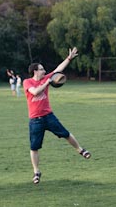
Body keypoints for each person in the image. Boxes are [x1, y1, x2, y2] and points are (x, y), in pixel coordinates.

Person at [23, 47, 91, 184]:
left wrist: (69, 58)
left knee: (65, 133)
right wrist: (47, 82)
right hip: (35, 120)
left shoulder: (47, 78)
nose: (44, 71)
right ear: (35, 71)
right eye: (41, 69)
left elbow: (58, 69)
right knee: (34, 147)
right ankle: (36, 172)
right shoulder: (27, 82)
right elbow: (35, 92)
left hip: (49, 116)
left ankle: (80, 150)